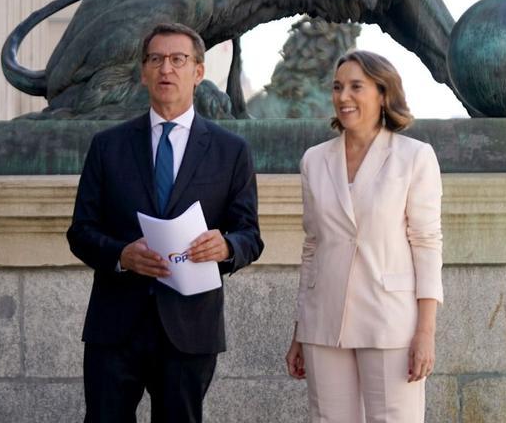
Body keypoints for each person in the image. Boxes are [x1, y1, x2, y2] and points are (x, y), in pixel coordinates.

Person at [66, 22, 264, 423]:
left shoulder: (231, 151)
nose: (166, 69)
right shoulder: (108, 146)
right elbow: (81, 232)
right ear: (143, 73)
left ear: (199, 72)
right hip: (116, 325)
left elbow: (250, 236)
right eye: (156, 60)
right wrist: (121, 255)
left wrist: (227, 246)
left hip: (190, 328)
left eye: (178, 60)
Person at [285, 50, 443, 423]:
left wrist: (425, 332)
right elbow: (313, 247)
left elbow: (426, 243)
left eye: (356, 86)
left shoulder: (414, 157)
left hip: (390, 321)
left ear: (383, 93)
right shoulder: (314, 160)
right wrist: (300, 330)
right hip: (324, 322)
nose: (343, 97)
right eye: (338, 87)